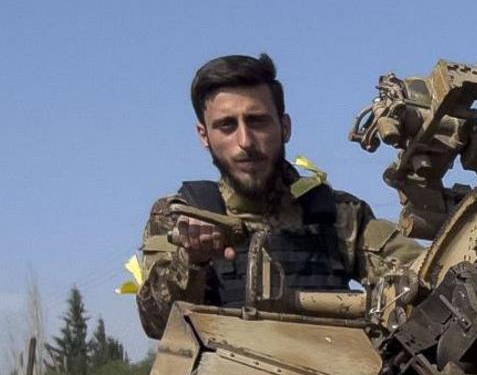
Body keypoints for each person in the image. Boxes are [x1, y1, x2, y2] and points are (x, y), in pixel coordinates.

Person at [131, 52, 414, 338]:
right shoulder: (181, 216)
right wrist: (190, 261)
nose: (245, 142)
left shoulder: (340, 214)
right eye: (227, 126)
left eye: (257, 121)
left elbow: (422, 274)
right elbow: (156, 323)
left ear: (285, 127)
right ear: (204, 136)